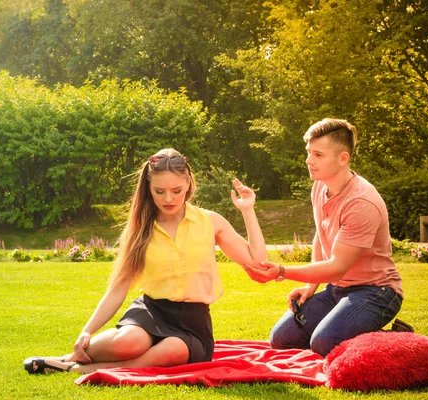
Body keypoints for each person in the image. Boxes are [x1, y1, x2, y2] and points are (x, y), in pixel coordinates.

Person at [24, 148, 268, 374]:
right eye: (159, 192)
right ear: (148, 188)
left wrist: (247, 211)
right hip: (151, 311)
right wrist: (87, 330)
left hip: (193, 322)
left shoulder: (210, 221)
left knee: (173, 350)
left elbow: (258, 262)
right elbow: (119, 287)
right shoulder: (141, 229)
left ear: (188, 184)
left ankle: (82, 369)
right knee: (127, 342)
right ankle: (67, 358)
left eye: (176, 191)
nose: (168, 199)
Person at [244, 118, 404, 357]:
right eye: (309, 153)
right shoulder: (320, 187)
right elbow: (321, 235)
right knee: (281, 338)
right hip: (337, 290)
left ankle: (395, 339)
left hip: (376, 292)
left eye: (318, 155)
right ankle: (353, 329)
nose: (309, 161)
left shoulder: (361, 202)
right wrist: (311, 287)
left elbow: (336, 267)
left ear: (343, 159)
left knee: (323, 343)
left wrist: (281, 271)